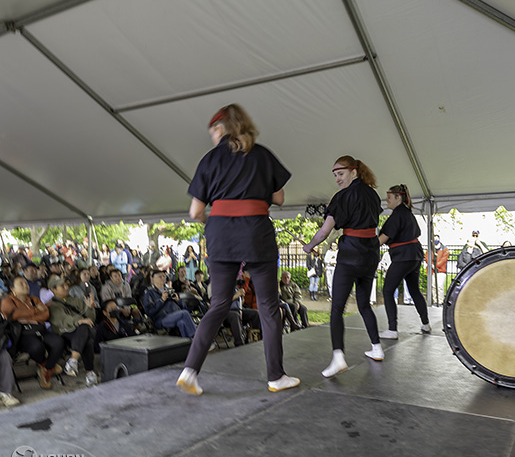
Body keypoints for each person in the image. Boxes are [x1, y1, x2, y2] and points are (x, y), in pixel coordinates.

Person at [177, 103, 299, 395]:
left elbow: (195, 211)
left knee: (218, 304)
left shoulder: (209, 160)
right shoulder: (262, 154)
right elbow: (279, 197)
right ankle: (276, 376)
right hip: (256, 231)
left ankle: (190, 371)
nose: (212, 138)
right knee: (270, 307)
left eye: (212, 132)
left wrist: (216, 217)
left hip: (221, 234)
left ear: (220, 129)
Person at [303, 155, 383, 377]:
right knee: (364, 304)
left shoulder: (341, 197)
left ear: (354, 172)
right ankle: (377, 348)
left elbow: (324, 232)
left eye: (341, 173)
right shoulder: (373, 195)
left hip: (350, 256)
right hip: (370, 254)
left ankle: (338, 357)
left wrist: (309, 246)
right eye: (335, 175)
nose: (337, 178)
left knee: (337, 308)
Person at [377, 184, 431, 339]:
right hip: (414, 256)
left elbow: (381, 240)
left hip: (403, 257)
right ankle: (426, 324)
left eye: (389, 197)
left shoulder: (397, 215)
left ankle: (392, 330)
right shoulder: (407, 213)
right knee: (414, 290)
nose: (386, 200)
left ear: (398, 198)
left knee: (387, 290)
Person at [1, 276, 65, 389]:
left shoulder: (33, 299)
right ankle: (47, 365)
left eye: (26, 283)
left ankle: (46, 368)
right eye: (21, 284)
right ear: (12, 289)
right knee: (36, 347)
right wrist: (35, 311)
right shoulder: (8, 301)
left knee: (59, 342)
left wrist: (30, 319)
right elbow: (14, 316)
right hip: (22, 334)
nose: (25, 285)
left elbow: (46, 314)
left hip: (38, 329)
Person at [47, 275, 99, 386]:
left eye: (66, 285)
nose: (66, 287)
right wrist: (80, 321)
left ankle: (73, 361)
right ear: (53, 289)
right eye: (62, 286)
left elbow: (91, 319)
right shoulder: (53, 305)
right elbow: (63, 320)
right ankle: (89, 372)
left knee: (86, 331)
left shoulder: (75, 300)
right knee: (86, 336)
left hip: (80, 331)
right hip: (65, 332)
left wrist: (90, 308)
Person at [142, 271, 196, 338]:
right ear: (153, 279)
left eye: (164, 276)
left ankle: (188, 344)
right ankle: (197, 338)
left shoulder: (169, 290)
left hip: (176, 315)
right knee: (185, 313)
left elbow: (184, 306)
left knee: (181, 323)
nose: (163, 278)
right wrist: (162, 300)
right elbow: (149, 312)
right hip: (161, 318)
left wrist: (178, 300)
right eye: (160, 276)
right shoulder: (149, 293)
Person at [432, 235, 449, 307]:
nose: (436, 240)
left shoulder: (444, 249)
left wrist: (436, 266)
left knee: (440, 287)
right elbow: (427, 257)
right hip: (433, 270)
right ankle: (435, 301)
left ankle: (441, 301)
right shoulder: (431, 248)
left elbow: (444, 259)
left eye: (437, 239)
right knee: (433, 286)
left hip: (441, 271)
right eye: (434, 239)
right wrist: (432, 265)